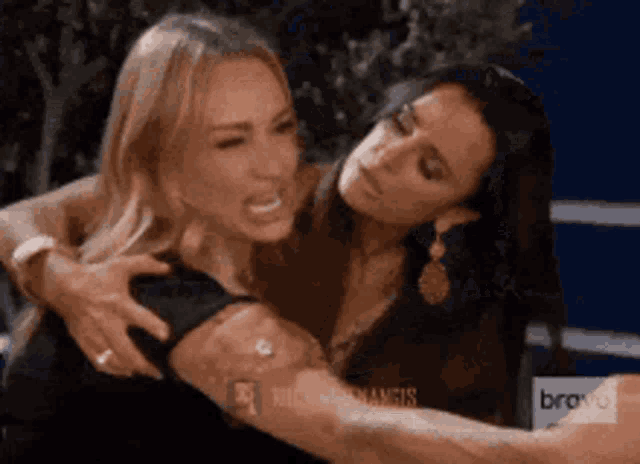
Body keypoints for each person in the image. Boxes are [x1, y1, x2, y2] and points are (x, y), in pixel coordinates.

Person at [0, 13, 638, 462]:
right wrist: (60, 277)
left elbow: (474, 419)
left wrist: (597, 414)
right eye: (398, 124)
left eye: (428, 167)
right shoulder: (260, 202)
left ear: (459, 213)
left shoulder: (455, 304)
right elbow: (30, 216)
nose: (383, 156)